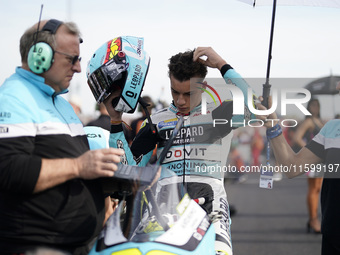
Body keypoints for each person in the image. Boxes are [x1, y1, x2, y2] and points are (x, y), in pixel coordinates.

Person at [87, 41, 258, 255]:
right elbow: (129, 170)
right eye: (175, 92)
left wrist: (222, 64)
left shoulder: (219, 115)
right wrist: (115, 121)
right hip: (163, 208)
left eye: (188, 94)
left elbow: (256, 107)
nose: (180, 100)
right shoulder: (156, 121)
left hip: (211, 207)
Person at [0, 19, 123, 254]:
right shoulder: (14, 97)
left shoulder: (61, 104)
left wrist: (117, 181)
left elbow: (72, 171)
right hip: (34, 245)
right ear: (39, 57)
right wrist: (78, 166)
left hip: (76, 244)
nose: (78, 68)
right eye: (72, 59)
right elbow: (9, 169)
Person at [257, 82, 340, 255]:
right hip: (333, 237)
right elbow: (292, 167)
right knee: (314, 189)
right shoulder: (332, 128)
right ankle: (313, 219)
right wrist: (273, 126)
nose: (338, 85)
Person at [293, 98, 324, 233]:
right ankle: (313, 219)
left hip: (320, 159)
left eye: (317, 105)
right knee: (313, 188)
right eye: (312, 105)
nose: (315, 108)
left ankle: (314, 218)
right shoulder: (309, 121)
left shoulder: (319, 121)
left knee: (317, 188)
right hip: (313, 159)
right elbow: (297, 138)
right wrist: (310, 149)